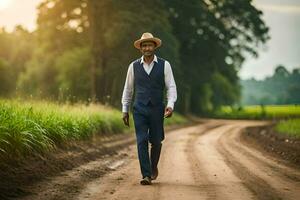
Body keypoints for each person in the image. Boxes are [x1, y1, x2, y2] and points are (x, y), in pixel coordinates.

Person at [121, 32, 177, 185]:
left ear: (154, 47)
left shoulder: (165, 65)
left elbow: (171, 87)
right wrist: (125, 109)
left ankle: (153, 168)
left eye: (149, 45)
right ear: (140, 48)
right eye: (144, 45)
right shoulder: (133, 66)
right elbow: (128, 89)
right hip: (139, 108)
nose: (147, 48)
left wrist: (170, 105)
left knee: (156, 141)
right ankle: (146, 174)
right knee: (141, 140)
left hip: (157, 108)